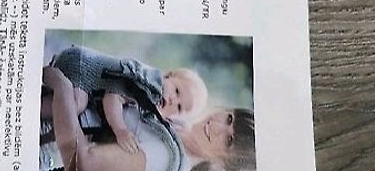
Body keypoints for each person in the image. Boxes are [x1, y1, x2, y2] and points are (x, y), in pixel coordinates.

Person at [42, 66, 256, 171]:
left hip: (49, 138)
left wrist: (62, 88)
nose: (217, 126)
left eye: (229, 140)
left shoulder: (168, 156)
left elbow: (83, 162)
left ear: (227, 162)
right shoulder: (179, 125)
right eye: (229, 119)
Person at [42, 45, 208, 154]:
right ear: (168, 75)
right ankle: (38, 108)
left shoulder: (152, 103)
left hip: (85, 83)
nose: (173, 100)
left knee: (73, 119)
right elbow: (112, 97)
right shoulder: (148, 82)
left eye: (179, 108)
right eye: (177, 91)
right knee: (77, 103)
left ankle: (45, 121)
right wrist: (120, 130)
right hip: (80, 65)